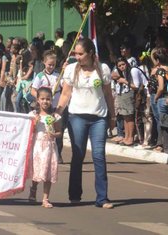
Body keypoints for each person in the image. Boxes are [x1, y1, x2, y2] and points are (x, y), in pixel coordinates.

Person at [56, 38, 115, 209]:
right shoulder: (70, 69)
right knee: (78, 155)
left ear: (90, 53)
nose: (77, 56)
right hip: (77, 117)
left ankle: (102, 198)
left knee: (99, 155)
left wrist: (112, 117)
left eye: (80, 54)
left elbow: (108, 95)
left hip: (99, 118)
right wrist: (57, 112)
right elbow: (66, 94)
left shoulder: (103, 69)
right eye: (76, 53)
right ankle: (75, 195)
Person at [28, 87, 61, 208]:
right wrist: (34, 123)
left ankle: (45, 198)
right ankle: (33, 188)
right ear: (37, 100)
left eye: (48, 99)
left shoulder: (54, 116)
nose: (45, 101)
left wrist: (54, 134)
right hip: (37, 147)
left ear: (51, 100)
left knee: (48, 172)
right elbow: (28, 131)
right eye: (42, 99)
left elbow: (59, 132)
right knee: (37, 171)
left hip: (50, 148)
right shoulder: (33, 115)